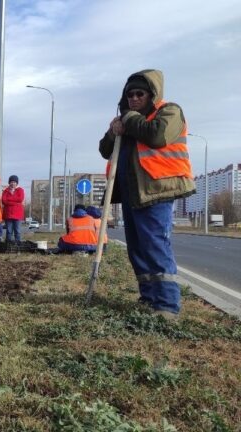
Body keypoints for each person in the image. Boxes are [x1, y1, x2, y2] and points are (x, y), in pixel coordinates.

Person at [99, 69, 195, 320]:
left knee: (155, 246)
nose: (133, 98)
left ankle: (166, 305)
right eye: (129, 94)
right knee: (138, 250)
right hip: (132, 195)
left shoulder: (169, 112)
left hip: (157, 192)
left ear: (151, 94)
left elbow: (157, 135)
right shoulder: (128, 122)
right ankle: (149, 298)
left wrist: (128, 119)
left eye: (139, 93)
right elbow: (104, 149)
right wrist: (113, 131)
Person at [1, 175, 25, 244]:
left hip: (17, 214)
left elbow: (20, 199)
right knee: (9, 230)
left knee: (17, 230)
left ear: (17, 183)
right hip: (8, 214)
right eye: (11, 182)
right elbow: (4, 201)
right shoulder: (5, 191)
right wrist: (15, 202)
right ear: (9, 183)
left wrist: (9, 200)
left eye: (14, 182)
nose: (13, 183)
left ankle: (17, 244)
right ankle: (8, 244)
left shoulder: (20, 190)